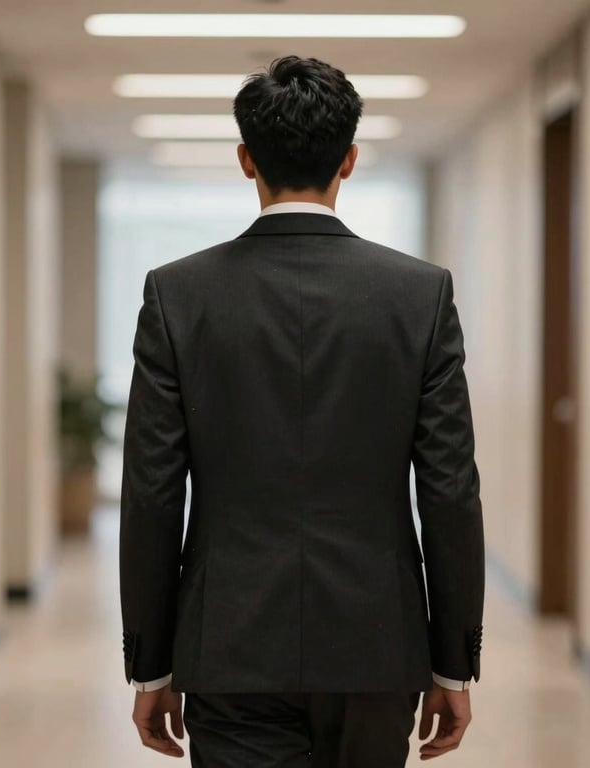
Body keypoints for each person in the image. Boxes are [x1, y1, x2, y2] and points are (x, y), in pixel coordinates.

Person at [119, 55, 485, 767]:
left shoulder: (178, 295)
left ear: (245, 160)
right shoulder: (419, 296)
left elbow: (151, 494)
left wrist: (152, 667)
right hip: (377, 646)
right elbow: (449, 492)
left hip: (228, 646)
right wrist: (450, 665)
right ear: (348, 159)